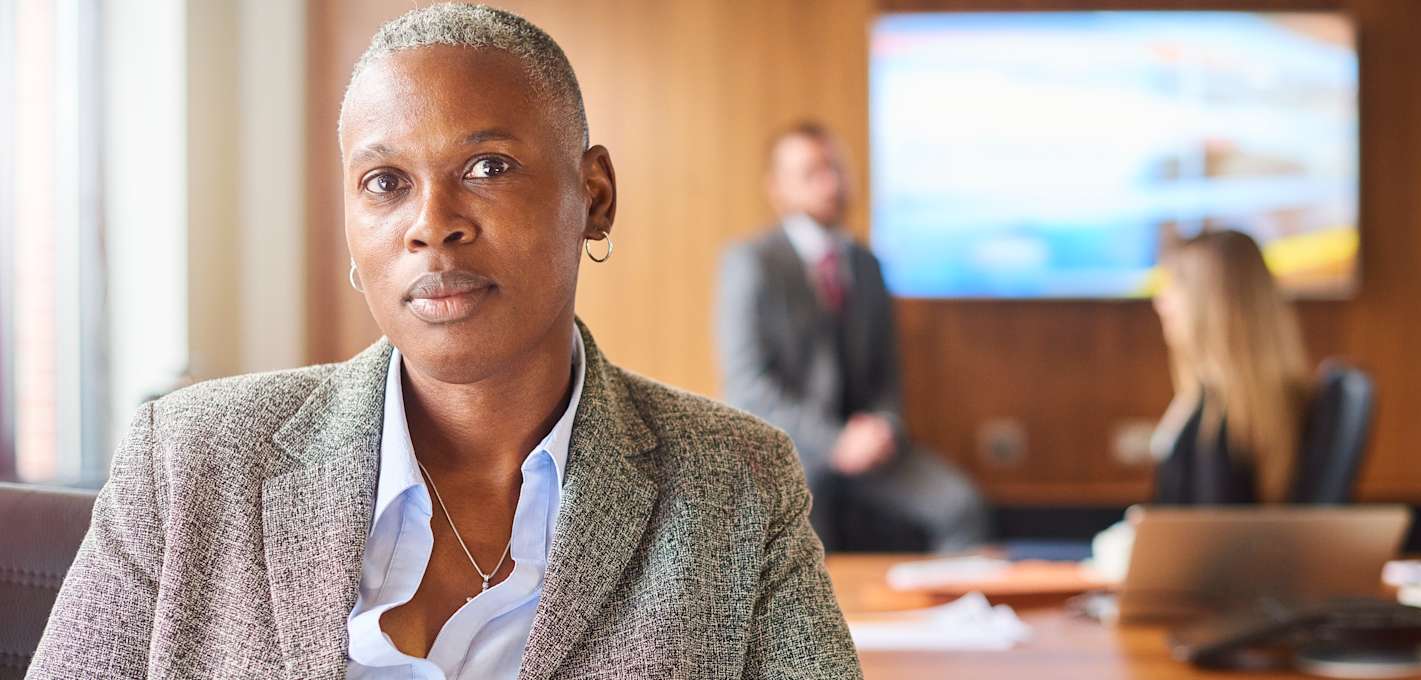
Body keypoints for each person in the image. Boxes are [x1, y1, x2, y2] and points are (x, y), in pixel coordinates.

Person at [28, 5, 858, 679]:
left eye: (488, 167)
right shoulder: (188, 460)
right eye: (385, 183)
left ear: (594, 196)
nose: (432, 226)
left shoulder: (736, 484)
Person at [715, 122, 988, 553]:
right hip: (791, 450)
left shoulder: (868, 266)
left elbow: (887, 376)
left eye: (835, 168)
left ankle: (959, 619)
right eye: (811, 173)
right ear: (778, 189)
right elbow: (750, 386)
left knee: (960, 507)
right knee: (804, 520)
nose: (831, 182)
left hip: (872, 453)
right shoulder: (752, 263)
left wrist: (884, 427)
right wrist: (834, 442)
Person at [1149, 229, 1312, 504]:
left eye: (1177, 284)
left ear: (1215, 301)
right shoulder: (1204, 399)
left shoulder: (1222, 423)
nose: (1161, 302)